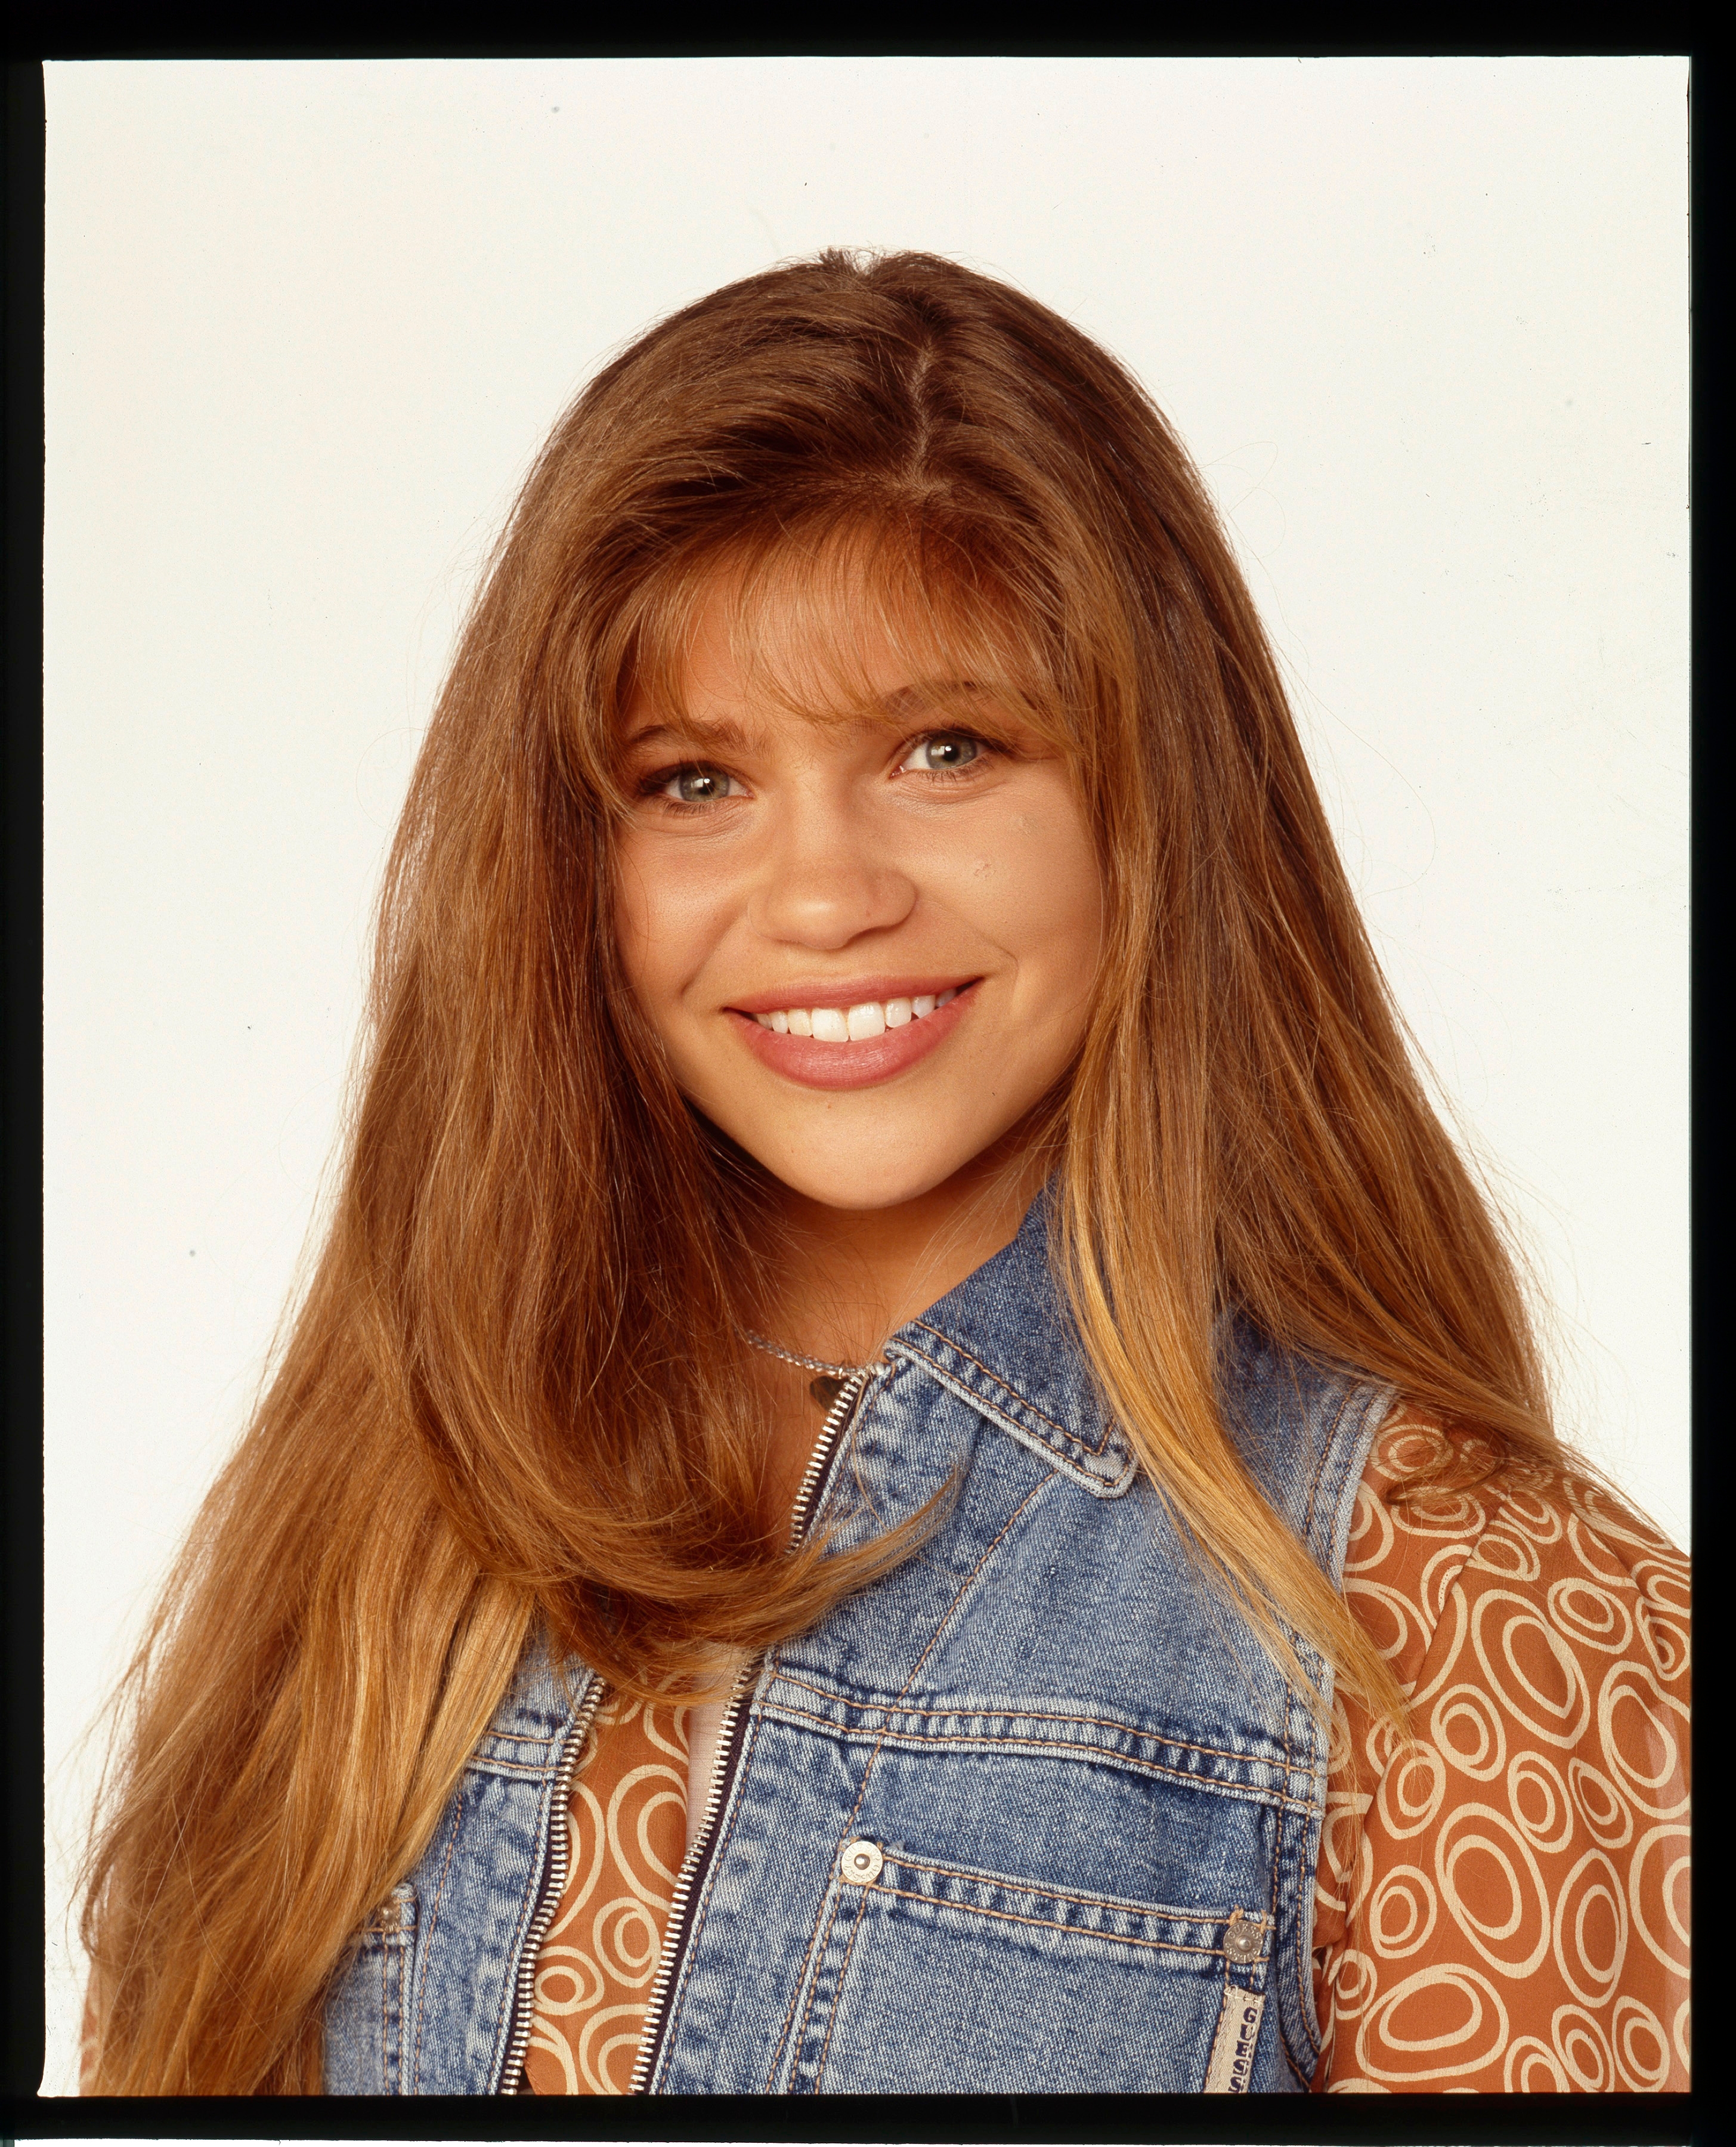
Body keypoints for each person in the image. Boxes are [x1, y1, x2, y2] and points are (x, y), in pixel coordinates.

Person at [78, 249, 1688, 2097]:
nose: (827, 897)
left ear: (1153, 804)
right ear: (569, 866)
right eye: (694, 780)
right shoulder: (370, 1538)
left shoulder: (1465, 1608)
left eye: (947, 749)